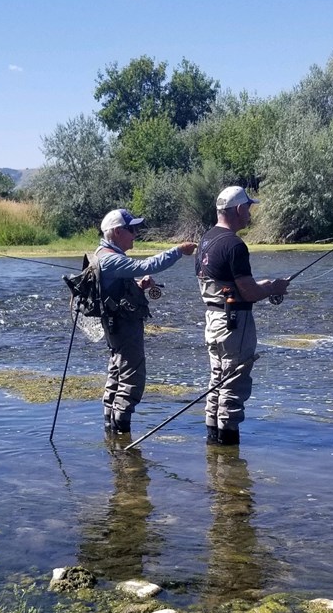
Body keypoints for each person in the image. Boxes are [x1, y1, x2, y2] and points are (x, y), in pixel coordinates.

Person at [195, 186, 290, 446]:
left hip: (213, 321)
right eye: (248, 207)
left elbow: (227, 284)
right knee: (233, 386)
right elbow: (247, 292)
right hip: (234, 324)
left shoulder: (206, 240)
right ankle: (228, 452)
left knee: (217, 381)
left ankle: (213, 448)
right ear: (238, 209)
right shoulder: (235, 245)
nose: (250, 213)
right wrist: (273, 287)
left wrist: (264, 284)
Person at [97, 208, 196, 435]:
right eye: (132, 229)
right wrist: (178, 251)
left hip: (116, 326)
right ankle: (122, 435)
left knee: (116, 373)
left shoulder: (104, 254)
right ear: (117, 232)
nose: (135, 234)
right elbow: (147, 266)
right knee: (132, 379)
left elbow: (117, 288)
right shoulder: (110, 258)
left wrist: (139, 286)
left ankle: (111, 436)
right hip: (123, 327)